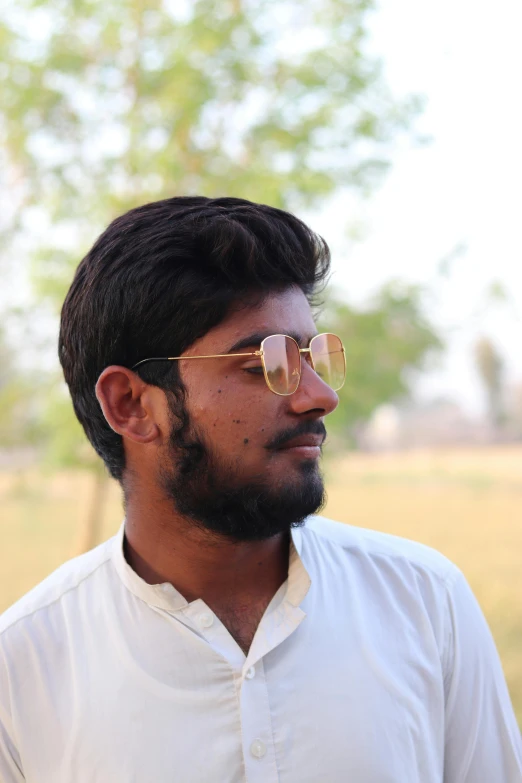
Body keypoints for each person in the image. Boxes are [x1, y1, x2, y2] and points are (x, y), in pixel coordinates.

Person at [0, 197, 520, 783]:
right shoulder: (22, 670)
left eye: (313, 356)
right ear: (131, 405)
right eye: (265, 364)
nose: (320, 395)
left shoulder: (425, 603)